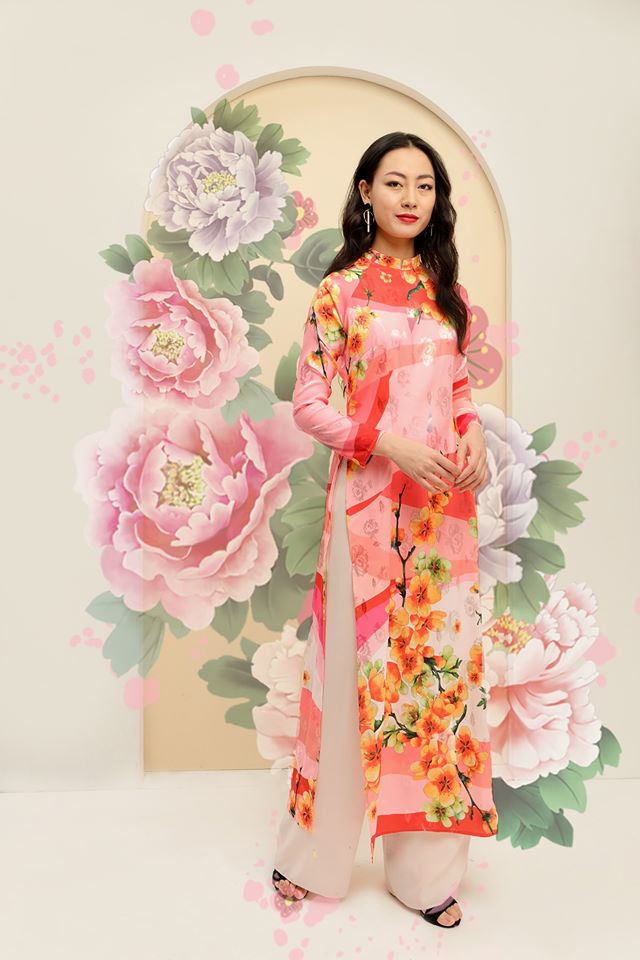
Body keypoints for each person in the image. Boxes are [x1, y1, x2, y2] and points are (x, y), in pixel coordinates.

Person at [271, 131, 497, 929]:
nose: (411, 198)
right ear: (365, 191)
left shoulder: (444, 289)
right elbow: (309, 406)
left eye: (425, 185)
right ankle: (312, 858)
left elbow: (458, 388)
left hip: (443, 515)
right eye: (394, 182)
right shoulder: (339, 292)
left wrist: (472, 434)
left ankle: (426, 876)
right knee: (346, 678)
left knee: (436, 685)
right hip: (366, 505)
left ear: (437, 200)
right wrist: (386, 444)